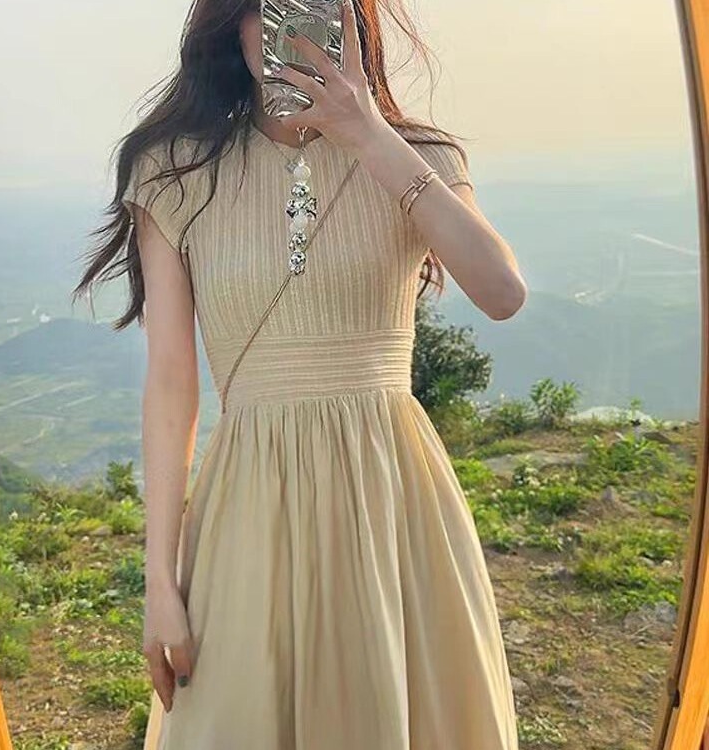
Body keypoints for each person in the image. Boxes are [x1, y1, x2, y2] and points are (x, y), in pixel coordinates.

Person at [73, 0, 527, 747]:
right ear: (232, 24)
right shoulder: (175, 172)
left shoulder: (420, 154)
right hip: (251, 498)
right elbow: (172, 385)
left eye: (311, 5)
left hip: (394, 498)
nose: (286, 29)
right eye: (264, 8)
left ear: (352, 21)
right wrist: (160, 580)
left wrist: (369, 135)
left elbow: (502, 293)